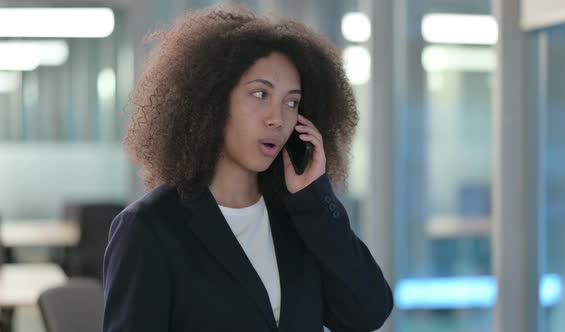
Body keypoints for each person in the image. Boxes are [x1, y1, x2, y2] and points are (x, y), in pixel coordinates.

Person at [103, 4, 393, 332]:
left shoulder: (301, 219)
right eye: (260, 94)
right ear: (212, 100)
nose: (277, 118)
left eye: (291, 102)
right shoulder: (148, 228)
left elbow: (367, 313)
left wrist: (316, 198)